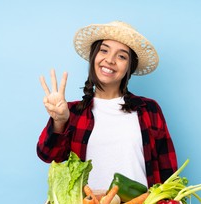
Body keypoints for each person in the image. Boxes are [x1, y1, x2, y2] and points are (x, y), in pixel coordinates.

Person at [36, 21, 178, 190]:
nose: (110, 60)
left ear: (129, 68)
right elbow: (48, 155)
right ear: (94, 56)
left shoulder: (148, 109)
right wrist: (60, 121)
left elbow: (168, 172)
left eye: (122, 56)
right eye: (104, 50)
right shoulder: (73, 113)